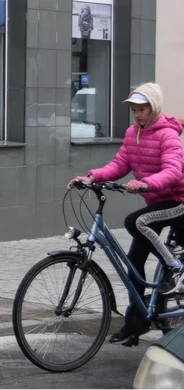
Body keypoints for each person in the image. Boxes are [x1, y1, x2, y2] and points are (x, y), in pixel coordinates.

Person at [69, 82, 184, 343]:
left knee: (136, 221)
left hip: (178, 200)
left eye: (142, 109)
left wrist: (146, 183)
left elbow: (174, 171)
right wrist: (91, 177)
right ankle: (136, 323)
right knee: (134, 265)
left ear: (153, 108)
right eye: (134, 110)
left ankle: (175, 267)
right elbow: (120, 164)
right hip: (158, 202)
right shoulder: (133, 133)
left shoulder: (167, 135)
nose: (138, 114)